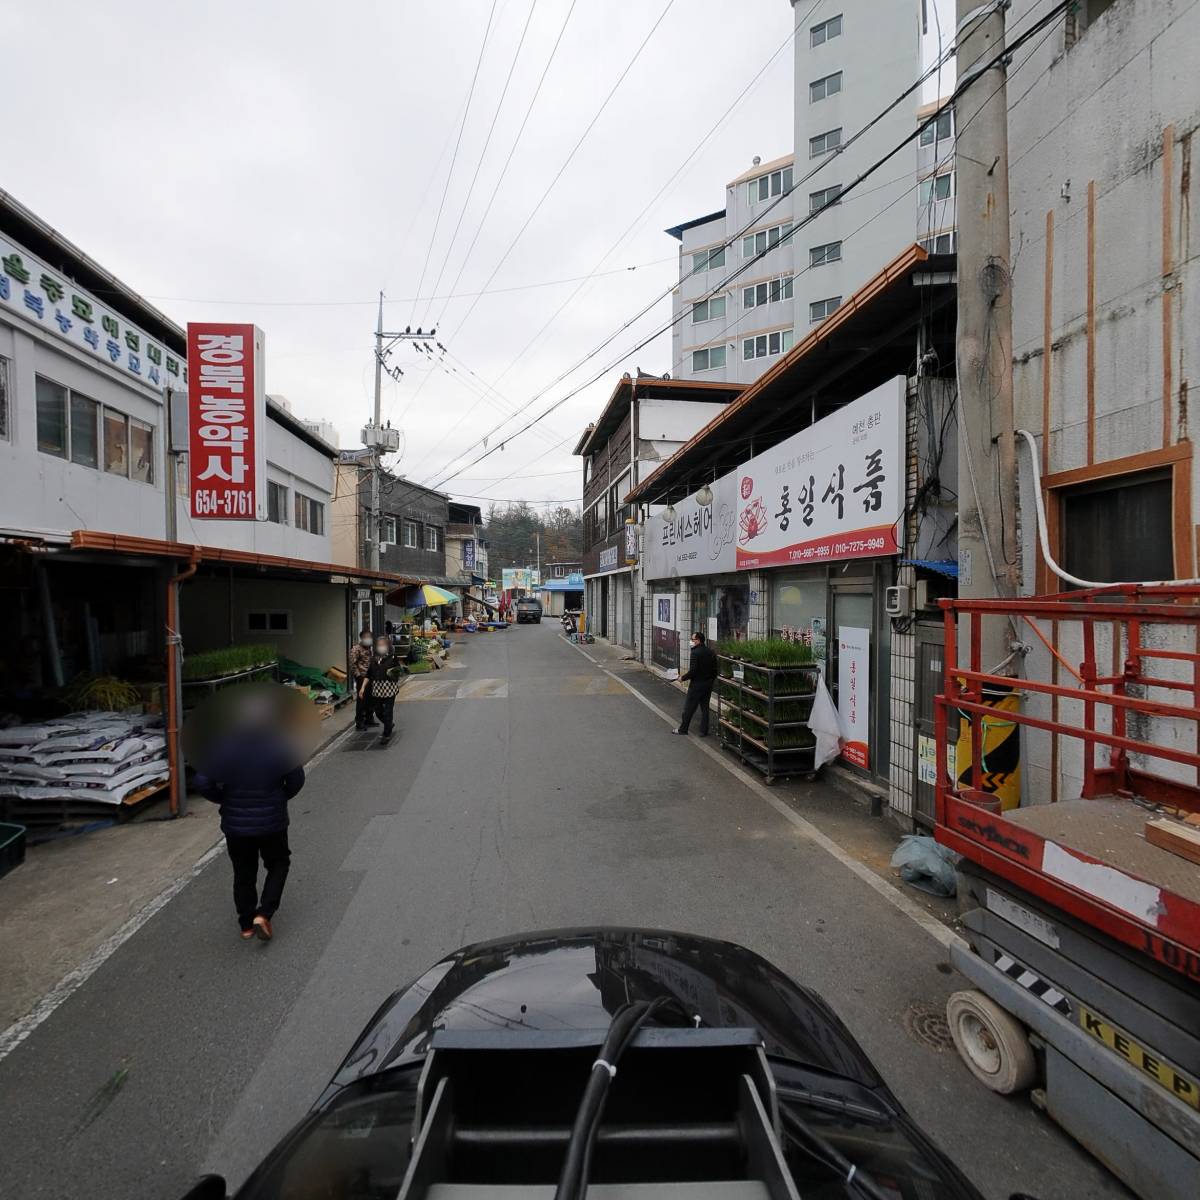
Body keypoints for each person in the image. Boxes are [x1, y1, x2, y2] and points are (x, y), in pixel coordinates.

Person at [192, 693, 305, 941]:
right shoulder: (280, 744)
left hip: (236, 824)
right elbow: (296, 780)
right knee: (278, 863)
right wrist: (280, 797)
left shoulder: (223, 745)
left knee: (243, 871)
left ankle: (245, 924)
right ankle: (264, 913)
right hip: (272, 821)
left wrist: (224, 799)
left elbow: (202, 781)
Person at [673, 631, 718, 737]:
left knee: (689, 708)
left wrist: (682, 678)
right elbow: (715, 669)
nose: (691, 642)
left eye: (692, 640)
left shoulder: (695, 652)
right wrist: (710, 680)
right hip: (708, 685)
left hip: (697, 685)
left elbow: (693, 671)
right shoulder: (710, 651)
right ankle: (704, 731)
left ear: (698, 640)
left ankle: (683, 729)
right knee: (705, 708)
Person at [362, 635, 404, 740]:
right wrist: (362, 688)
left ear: (387, 646)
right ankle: (388, 724)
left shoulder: (393, 658)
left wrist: (394, 673)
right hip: (377, 689)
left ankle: (386, 734)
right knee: (378, 711)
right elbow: (368, 674)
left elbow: (399, 671)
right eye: (379, 645)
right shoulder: (373, 659)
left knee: (388, 711)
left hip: (390, 688)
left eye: (383, 645)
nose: (381, 647)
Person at [350, 627, 375, 731]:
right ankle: (359, 722)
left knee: (371, 699)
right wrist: (358, 676)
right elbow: (352, 664)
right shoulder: (356, 649)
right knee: (362, 700)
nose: (368, 639)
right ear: (361, 638)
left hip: (370, 677)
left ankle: (369, 719)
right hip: (361, 677)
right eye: (365, 637)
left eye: (369, 637)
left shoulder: (369, 648)